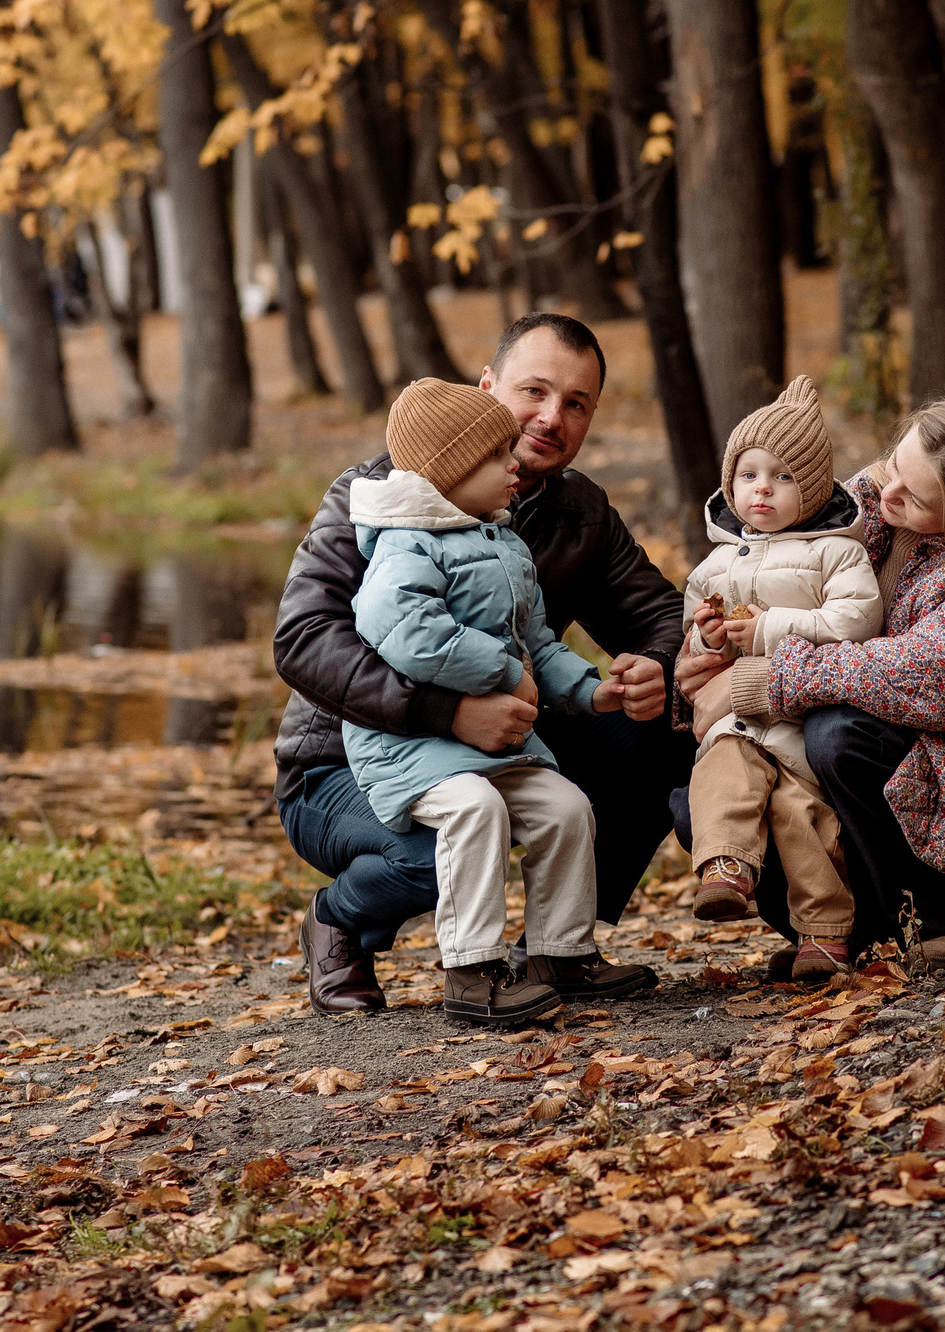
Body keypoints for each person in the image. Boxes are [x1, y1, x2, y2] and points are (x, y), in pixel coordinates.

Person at [273, 313, 694, 1013]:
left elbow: (661, 616)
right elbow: (303, 639)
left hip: (500, 741)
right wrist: (449, 712)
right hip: (347, 762)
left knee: (660, 728)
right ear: (487, 386)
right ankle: (337, 919)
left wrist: (653, 664)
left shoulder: (578, 513)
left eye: (577, 403)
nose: (552, 417)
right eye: (534, 391)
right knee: (449, 847)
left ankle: (558, 950)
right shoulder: (381, 497)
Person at [676, 397, 945, 969]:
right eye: (893, 466)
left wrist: (759, 678)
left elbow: (911, 670)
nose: (883, 493)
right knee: (703, 788)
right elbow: (769, 569)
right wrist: (702, 657)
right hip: (854, 732)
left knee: (838, 736)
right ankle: (831, 934)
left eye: (913, 498)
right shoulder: (868, 504)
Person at [340, 379, 655, 1023]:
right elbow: (407, 631)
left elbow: (535, 641)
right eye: (495, 456)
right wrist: (503, 672)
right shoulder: (406, 542)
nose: (515, 465)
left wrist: (591, 690)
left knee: (566, 807)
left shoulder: (502, 541)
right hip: (408, 745)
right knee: (476, 810)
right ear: (448, 473)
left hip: (488, 747)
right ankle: (471, 970)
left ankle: (560, 953)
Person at [679, 376, 881, 981]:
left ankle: (825, 935)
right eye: (748, 474)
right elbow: (695, 642)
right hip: (737, 716)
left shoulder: (835, 552)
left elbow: (856, 621)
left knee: (801, 817)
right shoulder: (715, 563)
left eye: (783, 476)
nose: (761, 487)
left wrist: (769, 627)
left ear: (813, 488)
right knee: (720, 776)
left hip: (796, 713)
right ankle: (726, 868)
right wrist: (708, 636)